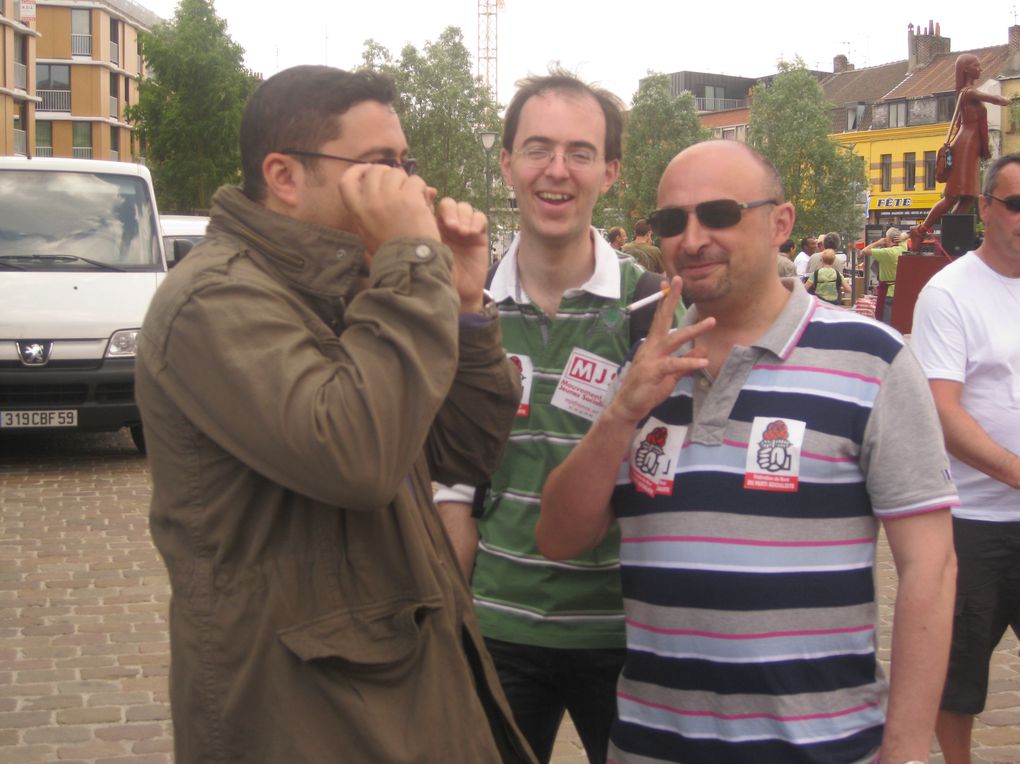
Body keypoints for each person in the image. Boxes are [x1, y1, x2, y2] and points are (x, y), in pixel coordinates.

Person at [135, 65, 535, 763]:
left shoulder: (355, 280)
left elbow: (464, 452)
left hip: (403, 690)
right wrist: (413, 263)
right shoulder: (213, 301)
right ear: (285, 177)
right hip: (305, 714)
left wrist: (466, 307)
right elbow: (356, 456)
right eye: (381, 165)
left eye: (406, 164)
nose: (411, 186)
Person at [538, 139, 958, 764]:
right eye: (673, 221)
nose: (693, 237)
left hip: (824, 748)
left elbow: (931, 568)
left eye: (720, 213)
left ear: (780, 223)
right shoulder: (644, 361)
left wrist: (904, 751)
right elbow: (560, 538)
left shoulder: (870, 357)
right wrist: (624, 410)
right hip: (652, 747)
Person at [434, 70, 655, 764]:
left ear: (611, 172)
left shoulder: (652, 311)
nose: (557, 171)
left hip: (627, 637)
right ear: (506, 163)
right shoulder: (465, 310)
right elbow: (453, 487)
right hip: (498, 631)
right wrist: (448, 627)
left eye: (580, 152)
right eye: (537, 149)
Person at [911, 153, 1020, 764]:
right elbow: (942, 412)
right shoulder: (949, 293)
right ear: (985, 209)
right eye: (1015, 204)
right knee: (959, 669)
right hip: (972, 520)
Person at [909, 54, 1010, 251]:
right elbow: (994, 98)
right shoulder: (967, 91)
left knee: (968, 196)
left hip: (971, 147)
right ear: (965, 69)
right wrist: (1008, 99)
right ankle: (921, 230)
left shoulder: (968, 91)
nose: (980, 69)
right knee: (952, 196)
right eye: (976, 65)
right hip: (964, 146)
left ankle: (952, 238)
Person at [862, 226, 906, 323]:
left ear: (888, 239)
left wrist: (878, 242)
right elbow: (906, 235)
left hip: (888, 292)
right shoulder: (904, 247)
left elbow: (864, 251)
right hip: (902, 291)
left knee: (886, 321)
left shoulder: (886, 253)